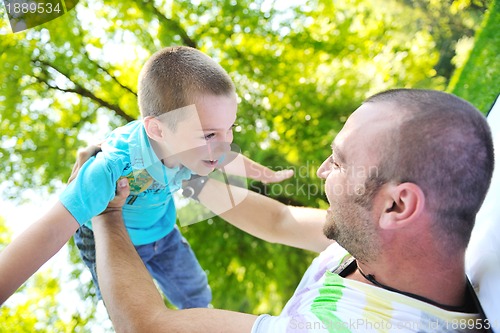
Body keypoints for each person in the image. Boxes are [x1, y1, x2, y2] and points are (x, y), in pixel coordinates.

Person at [93, 89, 493, 332]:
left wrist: (105, 213)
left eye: (337, 162)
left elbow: (149, 325)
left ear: (396, 204)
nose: (321, 170)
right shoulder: (387, 245)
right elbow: (278, 221)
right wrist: (189, 171)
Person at [0, 46, 293, 307]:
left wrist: (265, 174)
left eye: (229, 129)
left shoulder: (196, 151)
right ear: (158, 130)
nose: (224, 143)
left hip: (160, 234)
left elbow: (230, 159)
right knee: (130, 313)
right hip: (107, 239)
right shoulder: (113, 166)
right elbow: (49, 231)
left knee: (197, 295)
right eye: (209, 134)